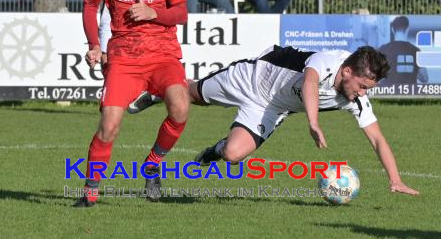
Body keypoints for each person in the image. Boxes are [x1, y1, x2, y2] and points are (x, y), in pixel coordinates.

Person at [133, 45, 419, 195]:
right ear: (346, 71)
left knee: (233, 154)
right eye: (362, 86)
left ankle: (214, 150)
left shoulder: (355, 98)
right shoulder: (328, 59)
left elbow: (377, 138)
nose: (363, 93)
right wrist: (313, 122)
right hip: (251, 78)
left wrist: (395, 180)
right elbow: (310, 82)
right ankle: (157, 94)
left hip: (270, 109)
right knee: (191, 94)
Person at [77, 0, 190, 207]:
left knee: (180, 107)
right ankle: (90, 191)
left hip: (163, 52)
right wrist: (93, 45)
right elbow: (90, 5)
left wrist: (154, 12)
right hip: (124, 55)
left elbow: (181, 13)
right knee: (109, 124)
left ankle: (153, 164)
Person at [377, 16, 428, 87]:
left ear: (392, 30)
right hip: (409, 94)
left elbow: (375, 77)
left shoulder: (383, 49)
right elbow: (424, 78)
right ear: (407, 29)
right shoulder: (416, 51)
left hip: (389, 94)